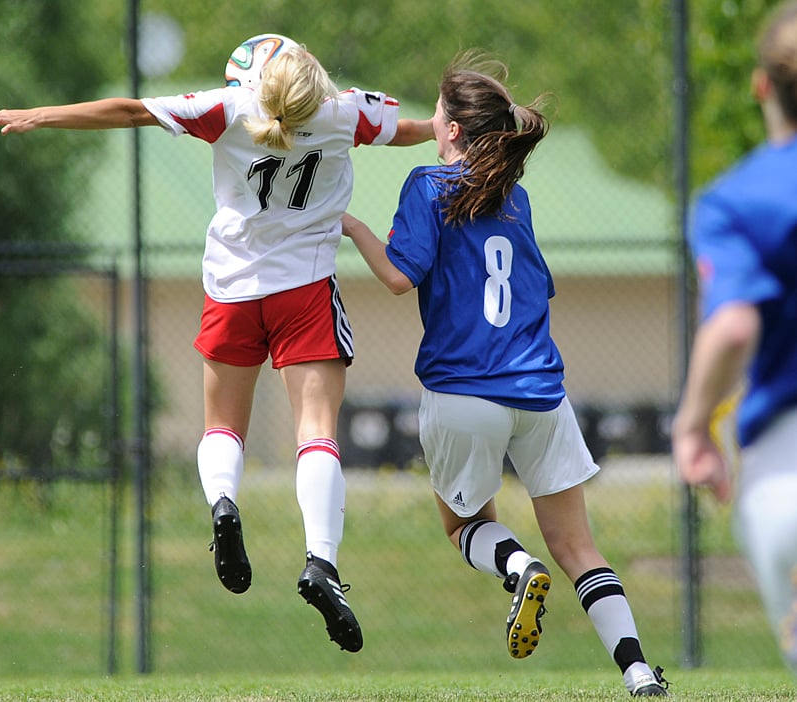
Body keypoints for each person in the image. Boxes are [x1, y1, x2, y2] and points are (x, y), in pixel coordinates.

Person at [0, 34, 433, 654]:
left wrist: (41, 115)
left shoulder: (227, 109)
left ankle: (222, 502)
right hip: (304, 288)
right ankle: (321, 562)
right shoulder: (342, 112)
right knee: (318, 431)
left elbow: (131, 110)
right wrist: (446, 127)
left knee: (223, 428)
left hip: (232, 289)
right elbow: (403, 130)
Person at [340, 51, 669, 695]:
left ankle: (518, 569)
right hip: (542, 392)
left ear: (454, 129)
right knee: (579, 547)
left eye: (436, 112)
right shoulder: (514, 198)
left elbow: (399, 278)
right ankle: (637, 673)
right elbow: (536, 288)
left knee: (466, 527)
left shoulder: (427, 185)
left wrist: (352, 228)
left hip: (463, 392)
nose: (430, 121)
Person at [672, 0, 797, 677]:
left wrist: (693, 427)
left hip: (786, 473)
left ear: (761, 87)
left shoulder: (734, 200)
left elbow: (734, 324)